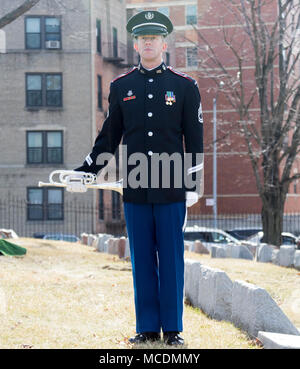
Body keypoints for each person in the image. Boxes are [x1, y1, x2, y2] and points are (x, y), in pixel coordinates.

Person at [75, 10, 204, 346]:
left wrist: (193, 185)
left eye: (154, 37)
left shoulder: (185, 86)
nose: (148, 42)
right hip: (135, 186)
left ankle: (173, 330)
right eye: (143, 38)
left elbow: (196, 141)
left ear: (164, 42)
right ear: (136, 43)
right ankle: (147, 327)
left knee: (172, 259)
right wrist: (87, 171)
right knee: (142, 258)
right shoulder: (121, 86)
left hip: (172, 186)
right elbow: (109, 138)